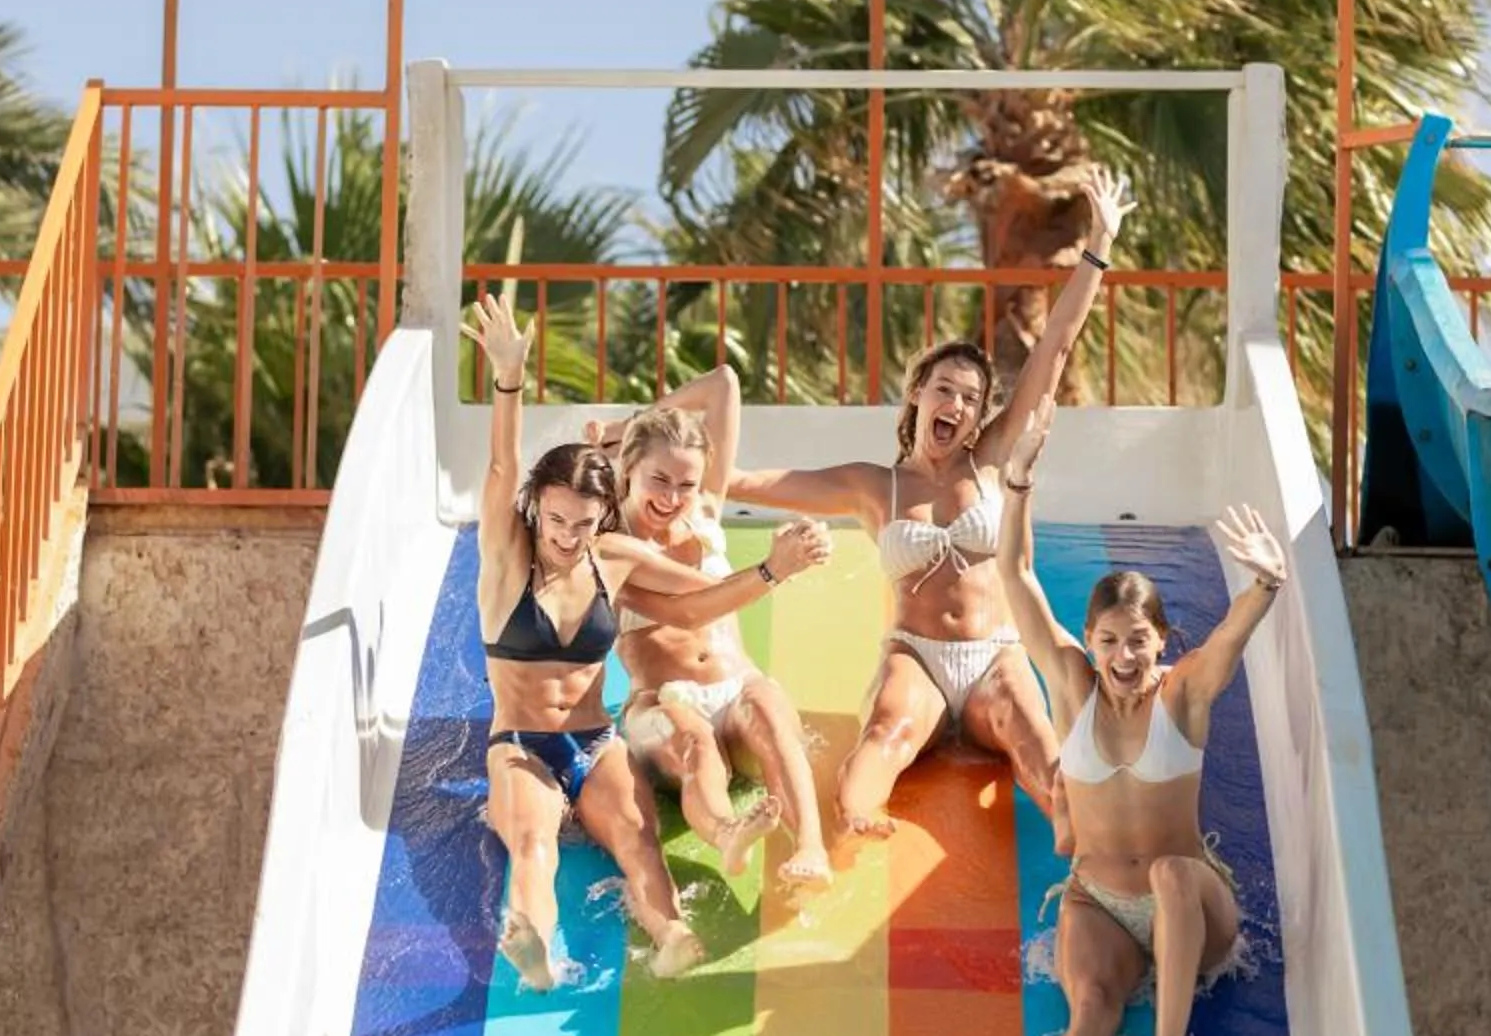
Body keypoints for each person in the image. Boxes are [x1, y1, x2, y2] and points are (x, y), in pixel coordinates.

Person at [727, 168, 1136, 840]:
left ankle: (1088, 846)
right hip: (915, 654)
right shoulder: (872, 485)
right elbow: (750, 482)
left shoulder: (991, 459)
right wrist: (646, 454)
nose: (957, 405)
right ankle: (855, 821)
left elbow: (1056, 347)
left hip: (994, 655)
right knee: (886, 732)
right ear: (918, 393)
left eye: (972, 399)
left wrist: (1098, 244)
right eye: (945, 389)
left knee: (1036, 743)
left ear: (979, 418)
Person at [474, 294, 830, 988]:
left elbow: (695, 603)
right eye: (557, 521)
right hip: (521, 744)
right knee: (532, 841)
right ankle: (536, 945)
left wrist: (768, 570)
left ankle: (670, 935)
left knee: (640, 843)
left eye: (584, 524)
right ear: (535, 508)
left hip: (595, 740)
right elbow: (498, 466)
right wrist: (509, 380)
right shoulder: (506, 561)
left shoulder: (613, 557)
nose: (569, 537)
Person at [996, 410, 1289, 1036]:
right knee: (1091, 1002)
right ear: (1088, 643)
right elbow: (1016, 575)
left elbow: (1232, 635)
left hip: (1191, 907)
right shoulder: (1069, 686)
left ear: (1161, 640)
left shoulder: (1182, 695)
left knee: (1168, 872)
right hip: (1101, 898)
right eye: (1108, 641)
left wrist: (1264, 582)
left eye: (1138, 640)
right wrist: (1019, 481)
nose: (1124, 655)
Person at [581, 366, 834, 888]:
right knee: (694, 739)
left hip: (737, 686)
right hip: (664, 701)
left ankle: (810, 845)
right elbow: (689, 610)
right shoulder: (609, 544)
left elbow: (723, 383)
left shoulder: (706, 512)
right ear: (629, 471)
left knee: (768, 710)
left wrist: (628, 425)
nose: (673, 497)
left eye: (686, 484)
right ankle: (727, 833)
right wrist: (774, 568)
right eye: (660, 480)